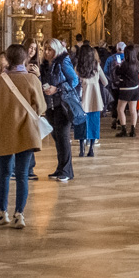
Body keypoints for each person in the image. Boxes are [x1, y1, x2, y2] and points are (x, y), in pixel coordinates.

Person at [0, 44, 45, 228]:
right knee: (22, 174)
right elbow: (42, 107)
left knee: (4, 173)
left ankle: (2, 212)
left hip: (4, 131)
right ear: (25, 60)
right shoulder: (31, 79)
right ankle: (19, 214)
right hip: (25, 132)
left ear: (7, 59)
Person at [42, 39, 80, 181]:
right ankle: (60, 168)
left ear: (56, 50)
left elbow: (74, 81)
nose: (47, 52)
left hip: (62, 104)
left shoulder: (63, 61)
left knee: (63, 138)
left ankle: (67, 171)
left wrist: (57, 89)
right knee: (57, 138)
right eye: (45, 49)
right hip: (50, 105)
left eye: (50, 49)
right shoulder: (45, 64)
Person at [75, 43, 106, 157]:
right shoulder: (96, 66)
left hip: (82, 99)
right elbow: (105, 82)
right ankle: (91, 149)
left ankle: (81, 149)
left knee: (81, 124)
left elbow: (74, 83)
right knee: (94, 124)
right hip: (95, 99)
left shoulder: (78, 68)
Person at [114, 45, 139, 137]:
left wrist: (118, 66)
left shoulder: (125, 64)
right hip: (135, 88)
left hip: (125, 88)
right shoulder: (137, 63)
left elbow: (118, 73)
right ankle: (133, 130)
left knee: (120, 109)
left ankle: (124, 129)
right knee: (133, 110)